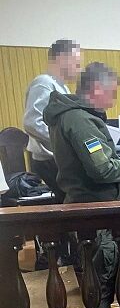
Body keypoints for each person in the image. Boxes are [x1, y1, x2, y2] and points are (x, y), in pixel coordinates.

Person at [44, 62, 120, 308]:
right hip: (96, 217)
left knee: (101, 286)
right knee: (99, 290)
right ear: (97, 88)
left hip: (93, 214)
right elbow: (101, 169)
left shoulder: (72, 116)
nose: (113, 101)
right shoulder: (79, 119)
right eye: (111, 93)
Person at [23, 39, 82, 202]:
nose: (79, 69)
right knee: (82, 196)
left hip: (58, 159)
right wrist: (64, 142)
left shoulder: (62, 87)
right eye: (76, 63)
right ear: (62, 59)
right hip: (49, 161)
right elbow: (32, 122)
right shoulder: (44, 83)